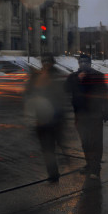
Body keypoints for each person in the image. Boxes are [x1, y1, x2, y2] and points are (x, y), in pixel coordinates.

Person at [24, 53, 69, 182]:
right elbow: (28, 92)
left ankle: (57, 170)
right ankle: (53, 172)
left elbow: (61, 95)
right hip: (42, 118)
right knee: (47, 147)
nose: (46, 64)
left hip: (55, 117)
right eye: (44, 62)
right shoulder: (37, 76)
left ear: (52, 63)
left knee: (53, 145)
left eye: (48, 62)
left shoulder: (56, 76)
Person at [66, 54, 108, 179]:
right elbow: (66, 89)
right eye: (81, 62)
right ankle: (89, 164)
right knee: (85, 142)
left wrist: (106, 111)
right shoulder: (73, 76)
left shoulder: (97, 76)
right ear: (79, 64)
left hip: (95, 114)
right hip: (80, 115)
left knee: (95, 142)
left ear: (90, 64)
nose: (83, 65)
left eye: (86, 62)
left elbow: (105, 94)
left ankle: (95, 169)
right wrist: (77, 80)